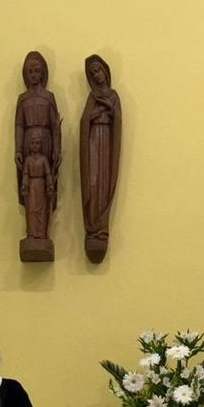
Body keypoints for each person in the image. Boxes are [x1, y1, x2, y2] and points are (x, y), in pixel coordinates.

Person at [78, 54, 122, 263]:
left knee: (104, 182)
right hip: (94, 141)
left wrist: (110, 109)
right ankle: (92, 224)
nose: (96, 75)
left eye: (98, 70)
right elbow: (84, 121)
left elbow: (118, 121)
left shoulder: (113, 96)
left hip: (107, 143)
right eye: (92, 72)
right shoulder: (92, 97)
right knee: (93, 182)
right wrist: (94, 115)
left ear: (105, 71)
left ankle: (101, 228)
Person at [14, 51, 61, 210]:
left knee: (46, 180)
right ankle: (32, 220)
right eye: (30, 71)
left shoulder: (48, 97)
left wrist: (56, 149)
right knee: (29, 179)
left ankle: (44, 220)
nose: (33, 75)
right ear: (26, 74)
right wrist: (18, 150)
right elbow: (19, 125)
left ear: (43, 73)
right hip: (28, 141)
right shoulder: (23, 98)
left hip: (46, 140)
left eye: (37, 71)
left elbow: (55, 126)